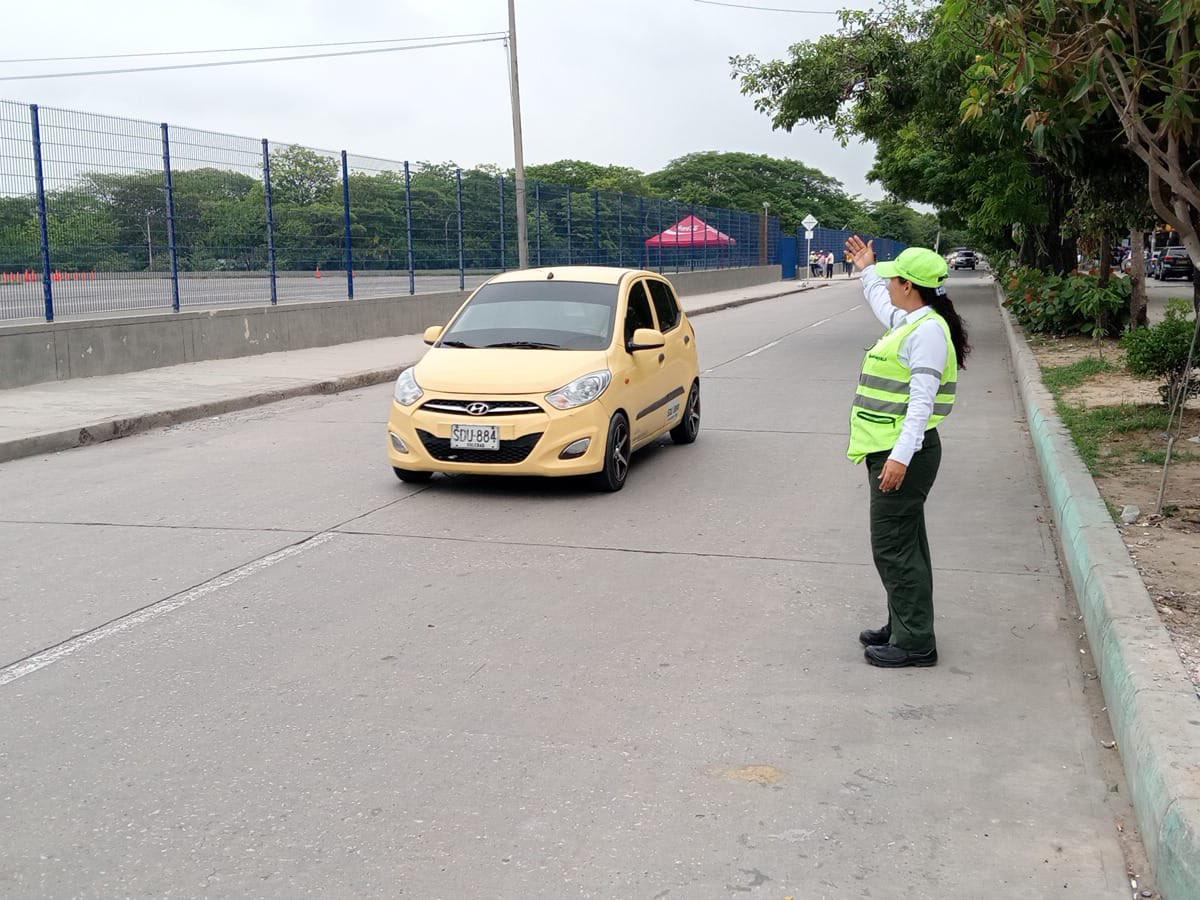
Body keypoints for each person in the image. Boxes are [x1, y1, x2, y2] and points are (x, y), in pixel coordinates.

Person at [843, 236, 971, 668]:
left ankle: (915, 641)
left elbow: (921, 402)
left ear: (909, 285)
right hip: (892, 448)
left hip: (904, 452)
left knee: (893, 546)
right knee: (906, 543)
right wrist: (867, 267)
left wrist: (899, 457)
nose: (888, 284)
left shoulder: (928, 332)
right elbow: (881, 301)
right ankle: (904, 623)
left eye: (892, 278)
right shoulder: (914, 320)